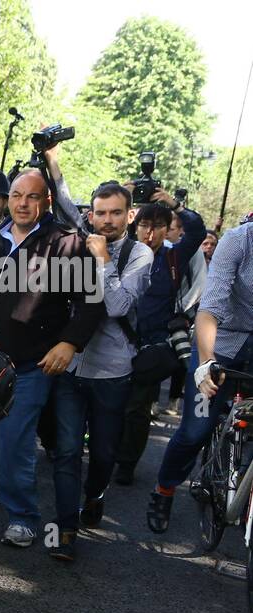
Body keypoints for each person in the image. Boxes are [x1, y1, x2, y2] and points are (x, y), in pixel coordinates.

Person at [0, 169, 101, 548]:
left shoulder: (65, 243)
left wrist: (69, 343)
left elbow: (90, 302)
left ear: (47, 202)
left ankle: (22, 516)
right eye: (17, 195)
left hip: (33, 365)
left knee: (15, 439)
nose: (22, 203)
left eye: (32, 197)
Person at [49, 182, 152, 561]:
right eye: (100, 212)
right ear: (91, 214)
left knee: (105, 453)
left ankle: (95, 495)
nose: (106, 220)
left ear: (129, 215)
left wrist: (105, 260)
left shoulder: (140, 254)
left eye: (115, 213)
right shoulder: (78, 245)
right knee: (66, 451)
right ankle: (63, 531)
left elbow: (120, 305)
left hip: (113, 371)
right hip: (72, 368)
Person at [148, 221, 253, 532]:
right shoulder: (238, 241)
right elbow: (209, 309)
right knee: (195, 430)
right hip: (220, 342)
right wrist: (206, 363)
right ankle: (164, 488)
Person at [113, 191, 205, 485]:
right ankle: (107, 452)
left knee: (137, 409)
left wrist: (175, 205)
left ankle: (126, 463)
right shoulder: (120, 252)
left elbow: (198, 231)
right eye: (144, 225)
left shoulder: (173, 257)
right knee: (110, 405)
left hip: (152, 347)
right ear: (135, 225)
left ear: (167, 230)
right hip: (114, 342)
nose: (150, 232)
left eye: (158, 226)